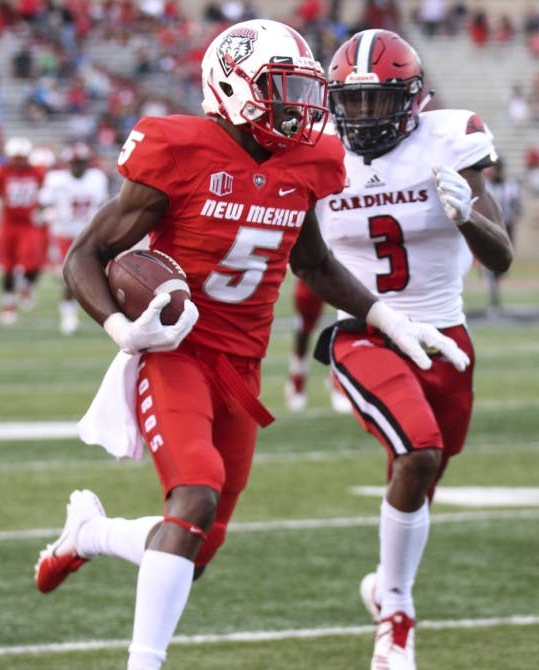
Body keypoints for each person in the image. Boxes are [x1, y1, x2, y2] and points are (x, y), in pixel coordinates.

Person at [32, 20, 470, 670]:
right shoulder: (177, 148)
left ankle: (91, 533)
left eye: (303, 88)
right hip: (176, 352)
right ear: (232, 87)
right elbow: (84, 256)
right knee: (196, 495)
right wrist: (123, 330)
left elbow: (313, 263)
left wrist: (386, 318)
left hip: (242, 370)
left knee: (196, 547)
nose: (298, 105)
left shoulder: (310, 162)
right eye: (280, 88)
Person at [317, 29, 511, 669]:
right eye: (352, 100)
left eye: (378, 100)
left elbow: (501, 257)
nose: (363, 114)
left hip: (446, 337)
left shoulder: (450, 139)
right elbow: (305, 260)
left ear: (413, 99)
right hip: (365, 332)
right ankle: (397, 616)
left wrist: (467, 217)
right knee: (418, 450)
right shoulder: (315, 150)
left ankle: (384, 585)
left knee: (421, 474)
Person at [38, 142, 110, 334]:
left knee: (100, 276)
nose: (77, 166)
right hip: (65, 234)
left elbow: (104, 205)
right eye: (74, 163)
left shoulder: (96, 179)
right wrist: (47, 213)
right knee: (70, 277)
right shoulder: (56, 180)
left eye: (81, 162)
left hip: (90, 234)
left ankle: (108, 315)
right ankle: (68, 314)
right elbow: (43, 203)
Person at [0, 136, 47, 324]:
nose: (18, 162)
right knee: (8, 266)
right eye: (15, 158)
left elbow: (46, 193)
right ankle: (8, 305)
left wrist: (42, 210)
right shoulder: (2, 172)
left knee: (32, 262)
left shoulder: (37, 172)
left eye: (21, 158)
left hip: (28, 224)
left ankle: (26, 286)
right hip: (8, 224)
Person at [284, 275, 354, 412]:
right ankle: (297, 374)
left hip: (343, 265)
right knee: (304, 326)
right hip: (312, 268)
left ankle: (338, 376)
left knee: (348, 318)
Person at [482, 159, 521, 310]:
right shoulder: (484, 185)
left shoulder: (511, 186)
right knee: (489, 265)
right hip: (488, 228)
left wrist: (512, 219)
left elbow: (518, 207)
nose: (489, 171)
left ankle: (495, 285)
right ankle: (494, 298)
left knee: (504, 264)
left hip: (506, 229)